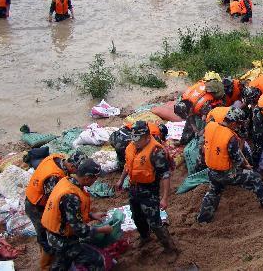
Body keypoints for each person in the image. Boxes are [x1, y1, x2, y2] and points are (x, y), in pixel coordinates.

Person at [197, 108, 263, 223]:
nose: (238, 127)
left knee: (214, 192)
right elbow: (237, 159)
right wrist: (246, 166)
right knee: (256, 178)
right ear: (233, 122)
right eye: (238, 124)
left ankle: (203, 218)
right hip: (227, 174)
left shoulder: (210, 126)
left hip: (211, 171)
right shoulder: (230, 137)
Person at [116, 122, 177, 256]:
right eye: (134, 139)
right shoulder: (132, 146)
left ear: (147, 137)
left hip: (149, 191)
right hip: (134, 188)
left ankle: (170, 248)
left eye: (138, 139)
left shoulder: (156, 152)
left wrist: (165, 198)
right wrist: (121, 179)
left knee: (154, 222)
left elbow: (165, 175)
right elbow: (128, 165)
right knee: (137, 216)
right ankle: (145, 236)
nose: (135, 142)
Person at [41, 159, 112, 271]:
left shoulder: (66, 181)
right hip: (61, 239)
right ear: (87, 178)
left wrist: (92, 215)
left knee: (62, 263)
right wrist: (102, 230)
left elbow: (69, 212)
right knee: (97, 260)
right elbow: (80, 230)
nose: (95, 181)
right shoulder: (71, 195)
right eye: (95, 178)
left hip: (54, 233)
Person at [25, 151, 86, 270]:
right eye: (78, 171)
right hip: (36, 206)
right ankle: (46, 266)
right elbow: (55, 201)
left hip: (36, 198)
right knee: (46, 235)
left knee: (49, 234)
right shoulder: (53, 177)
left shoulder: (58, 158)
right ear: (72, 166)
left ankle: (50, 258)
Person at [174, 80, 224, 145]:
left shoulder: (203, 106)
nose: (188, 115)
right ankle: (184, 140)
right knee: (189, 122)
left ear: (191, 108)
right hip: (201, 94)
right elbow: (189, 116)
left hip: (216, 97)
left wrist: (202, 131)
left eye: (188, 113)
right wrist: (194, 128)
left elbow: (211, 120)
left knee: (205, 121)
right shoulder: (183, 99)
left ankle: (207, 143)